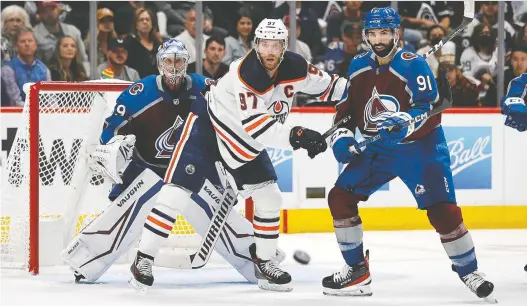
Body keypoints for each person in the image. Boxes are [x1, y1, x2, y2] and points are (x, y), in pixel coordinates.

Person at [131, 18, 348, 292]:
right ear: (256, 45)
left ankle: (265, 263)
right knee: (175, 194)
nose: (269, 51)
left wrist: (364, 92)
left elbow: (332, 87)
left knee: (270, 197)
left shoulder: (297, 66)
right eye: (265, 44)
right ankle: (143, 259)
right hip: (208, 128)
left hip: (243, 141)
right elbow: (258, 127)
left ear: (284, 46)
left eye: (276, 45)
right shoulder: (247, 72)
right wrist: (299, 135)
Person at [63, 39, 284, 286]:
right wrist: (115, 147)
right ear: (160, 63)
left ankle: (262, 262)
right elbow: (109, 131)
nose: (174, 67)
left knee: (215, 212)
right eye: (169, 61)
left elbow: (229, 128)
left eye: (179, 61)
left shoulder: (206, 88)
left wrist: (227, 172)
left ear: (187, 63)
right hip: (146, 170)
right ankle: (85, 261)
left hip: (189, 171)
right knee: (129, 209)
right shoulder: (141, 92)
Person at [322, 7, 495, 302]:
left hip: (422, 146)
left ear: (396, 34)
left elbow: (428, 104)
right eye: (373, 33)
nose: (378, 39)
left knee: (443, 212)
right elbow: (346, 112)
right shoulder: (358, 65)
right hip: (381, 148)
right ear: (366, 35)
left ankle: (469, 271)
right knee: (340, 197)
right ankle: (357, 271)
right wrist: (341, 137)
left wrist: (406, 120)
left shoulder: (413, 64)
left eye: (384, 33)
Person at [1, 27, 51, 106]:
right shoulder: (8, 69)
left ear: (36, 45)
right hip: (15, 115)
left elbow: (51, 98)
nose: (27, 44)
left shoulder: (44, 69)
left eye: (30, 41)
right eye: (22, 41)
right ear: (16, 47)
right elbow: (15, 101)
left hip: (42, 113)